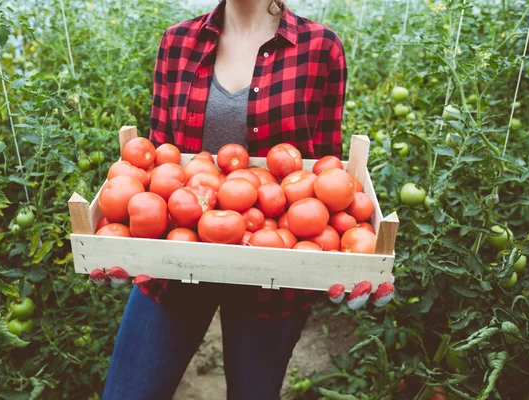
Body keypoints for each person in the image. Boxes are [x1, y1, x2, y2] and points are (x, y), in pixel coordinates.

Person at [99, 1, 393, 399]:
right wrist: (123, 240)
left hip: (275, 265)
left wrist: (344, 252)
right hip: (178, 256)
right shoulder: (177, 42)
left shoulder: (320, 47)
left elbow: (327, 171)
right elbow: (157, 159)